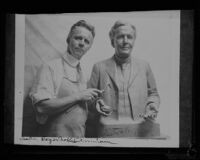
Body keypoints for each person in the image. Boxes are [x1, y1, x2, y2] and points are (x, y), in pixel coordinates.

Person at [86, 20, 160, 138]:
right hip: (109, 130)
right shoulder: (99, 67)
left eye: (129, 37)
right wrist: (96, 104)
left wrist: (152, 104)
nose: (125, 41)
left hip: (141, 128)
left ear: (134, 41)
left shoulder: (144, 66)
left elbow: (154, 94)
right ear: (112, 41)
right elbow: (89, 98)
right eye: (120, 37)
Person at [29, 20, 102, 137]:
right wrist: (78, 96)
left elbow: (82, 104)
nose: (82, 43)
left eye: (87, 41)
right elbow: (42, 107)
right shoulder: (50, 67)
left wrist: (96, 104)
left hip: (79, 137)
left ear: (89, 47)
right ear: (68, 40)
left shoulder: (85, 72)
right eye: (78, 38)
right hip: (53, 138)